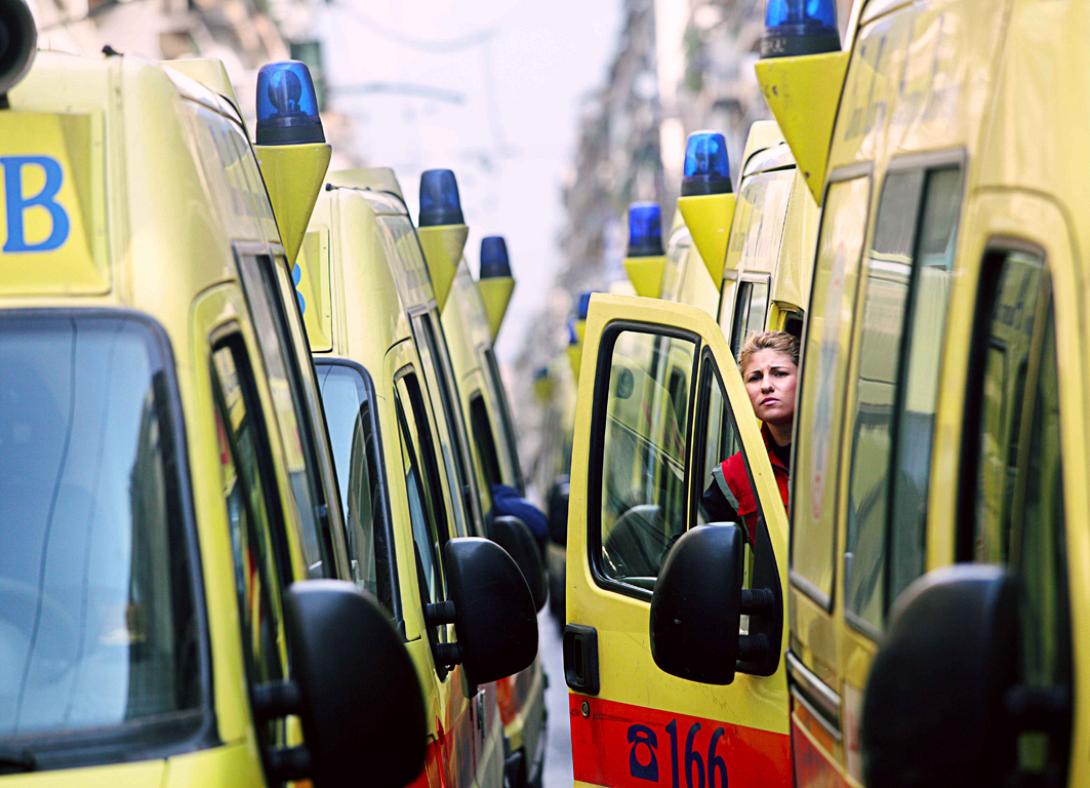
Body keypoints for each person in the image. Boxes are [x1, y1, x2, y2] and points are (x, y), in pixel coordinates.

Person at [702, 330, 798, 543]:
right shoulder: (734, 476)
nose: (766, 386)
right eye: (755, 378)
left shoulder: (837, 456)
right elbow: (694, 548)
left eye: (779, 373)